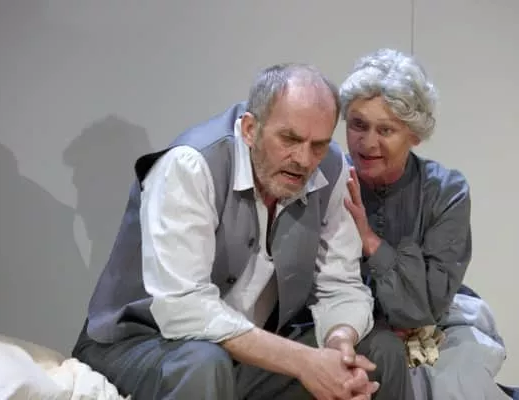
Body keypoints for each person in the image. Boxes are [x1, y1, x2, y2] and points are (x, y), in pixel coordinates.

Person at [71, 62, 412, 400]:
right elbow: (184, 307)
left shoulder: (331, 169)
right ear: (250, 129)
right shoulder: (190, 165)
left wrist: (339, 344)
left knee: (379, 352)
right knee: (204, 363)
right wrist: (304, 362)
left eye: (318, 145)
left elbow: (341, 285)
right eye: (290, 139)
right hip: (144, 344)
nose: (304, 159)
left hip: (247, 352)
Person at [340, 48, 514, 399]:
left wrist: (371, 242)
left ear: (415, 134)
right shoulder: (330, 181)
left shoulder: (446, 191)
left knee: (454, 381)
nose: (368, 142)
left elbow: (427, 307)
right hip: (352, 325)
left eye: (385, 129)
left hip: (438, 321)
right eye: (358, 125)